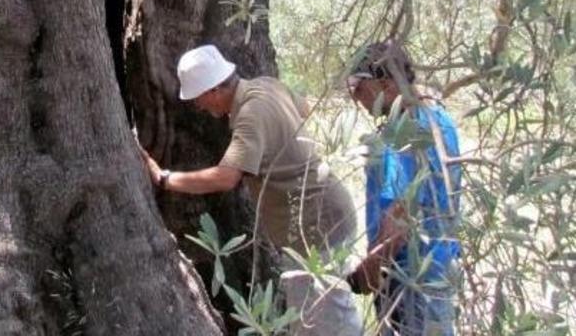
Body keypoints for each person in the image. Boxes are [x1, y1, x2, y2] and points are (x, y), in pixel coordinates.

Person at [141, 44, 356, 257]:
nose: (198, 105)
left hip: (315, 230)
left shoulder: (249, 115)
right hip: (334, 210)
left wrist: (164, 179)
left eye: (198, 98)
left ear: (214, 90)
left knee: (317, 292)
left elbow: (225, 178)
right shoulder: (267, 85)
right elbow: (305, 109)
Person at [344, 41, 461, 336]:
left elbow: (399, 215)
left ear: (385, 83)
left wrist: (369, 273)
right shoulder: (439, 119)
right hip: (438, 271)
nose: (355, 98)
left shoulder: (401, 132)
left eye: (357, 87)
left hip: (410, 281)